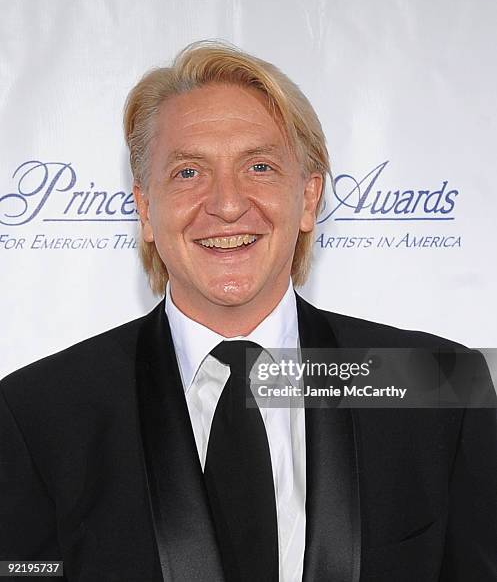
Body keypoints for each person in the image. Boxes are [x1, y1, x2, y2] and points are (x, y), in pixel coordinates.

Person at [1, 41, 496, 582]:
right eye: (189, 173)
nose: (228, 204)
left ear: (308, 200)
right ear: (145, 209)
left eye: (259, 167)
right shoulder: (39, 414)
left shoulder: (436, 386)